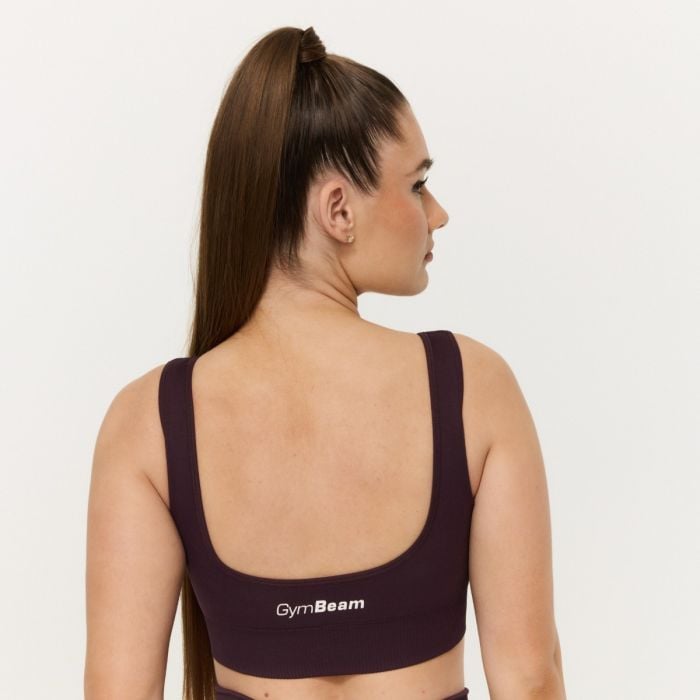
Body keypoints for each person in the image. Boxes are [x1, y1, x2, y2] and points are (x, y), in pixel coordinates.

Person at [84, 25, 566, 700]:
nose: (438, 213)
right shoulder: (472, 390)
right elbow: (530, 679)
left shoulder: (148, 424)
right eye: (419, 184)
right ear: (338, 209)